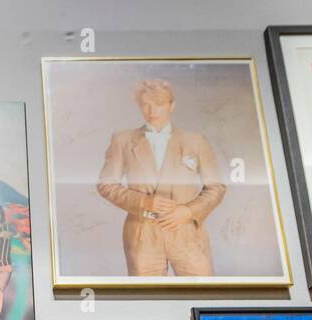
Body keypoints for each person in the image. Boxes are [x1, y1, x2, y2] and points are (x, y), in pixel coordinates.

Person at [96, 78, 226, 277]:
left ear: (171, 105)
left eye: (159, 104)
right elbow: (106, 185)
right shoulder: (122, 140)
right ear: (139, 105)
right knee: (147, 301)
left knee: (202, 297)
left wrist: (188, 211)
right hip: (142, 236)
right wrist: (144, 202)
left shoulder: (195, 141)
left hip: (187, 234)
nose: (152, 111)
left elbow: (216, 187)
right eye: (146, 105)